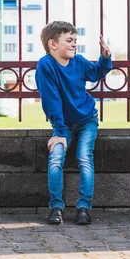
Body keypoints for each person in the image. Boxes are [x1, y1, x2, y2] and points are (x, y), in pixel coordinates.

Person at [35, 21, 112, 225]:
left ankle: (84, 208)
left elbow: (96, 73)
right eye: (69, 40)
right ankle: (56, 207)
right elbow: (52, 101)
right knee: (56, 158)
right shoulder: (46, 65)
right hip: (63, 125)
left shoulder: (78, 61)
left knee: (84, 157)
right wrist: (59, 132)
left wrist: (105, 57)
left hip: (87, 120)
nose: (74, 45)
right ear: (52, 44)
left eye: (75, 41)